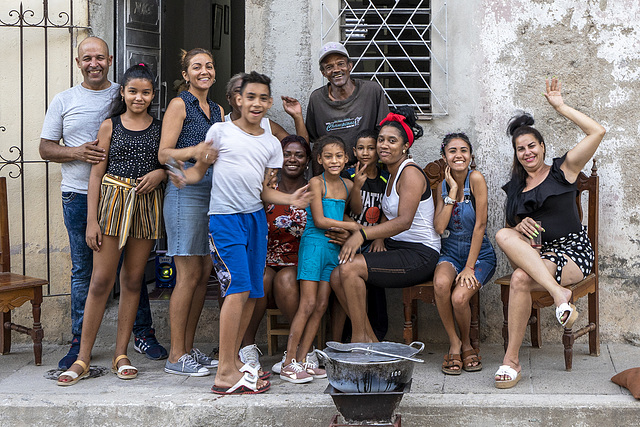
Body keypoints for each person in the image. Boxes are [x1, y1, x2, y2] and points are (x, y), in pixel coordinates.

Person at [175, 71, 311, 394]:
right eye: (250, 97)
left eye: (264, 98)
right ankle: (224, 373)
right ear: (238, 99)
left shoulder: (271, 143)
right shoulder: (220, 131)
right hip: (225, 219)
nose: (257, 103)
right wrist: (184, 176)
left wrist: (290, 198)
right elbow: (198, 172)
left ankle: (235, 363)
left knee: (251, 292)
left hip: (255, 221)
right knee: (236, 288)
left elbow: (265, 192)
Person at [39, 37, 166, 371]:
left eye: (99, 57)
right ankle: (79, 350)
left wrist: (162, 173)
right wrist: (78, 152)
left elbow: (167, 157)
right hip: (93, 200)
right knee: (91, 277)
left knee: (134, 279)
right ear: (78, 61)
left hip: (142, 204)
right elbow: (46, 148)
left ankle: (130, 344)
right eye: (87, 58)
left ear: (109, 60)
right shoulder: (68, 101)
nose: (93, 63)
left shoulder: (144, 114)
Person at [494, 77, 605, 389]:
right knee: (503, 236)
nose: (527, 152)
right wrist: (517, 227)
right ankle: (560, 296)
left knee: (519, 278)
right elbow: (511, 235)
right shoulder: (516, 189)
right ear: (516, 154)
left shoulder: (563, 171)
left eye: (532, 146)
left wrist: (561, 106)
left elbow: (598, 132)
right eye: (521, 149)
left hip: (572, 252)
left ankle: (510, 360)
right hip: (539, 255)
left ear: (542, 147)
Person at [330, 106, 440, 343]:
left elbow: (403, 221)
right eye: (381, 140)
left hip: (420, 254)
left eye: (392, 141)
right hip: (397, 247)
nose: (383, 145)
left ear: (405, 146)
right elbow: (387, 215)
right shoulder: (391, 173)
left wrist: (363, 234)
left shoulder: (409, 173)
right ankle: (370, 340)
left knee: (349, 269)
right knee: (337, 275)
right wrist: (375, 236)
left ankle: (360, 340)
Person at [158, 48, 224, 376]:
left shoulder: (217, 109)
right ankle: (175, 355)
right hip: (185, 192)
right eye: (196, 67)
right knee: (187, 275)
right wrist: (195, 150)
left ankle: (188, 348)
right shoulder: (179, 104)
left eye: (209, 66)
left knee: (202, 275)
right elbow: (164, 153)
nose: (204, 71)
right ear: (186, 74)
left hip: (213, 196)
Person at [280, 135, 359, 384]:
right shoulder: (316, 182)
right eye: (328, 156)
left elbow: (354, 207)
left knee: (322, 305)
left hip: (333, 250)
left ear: (346, 158)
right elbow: (322, 221)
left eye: (339, 156)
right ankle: (288, 361)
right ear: (319, 159)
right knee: (308, 304)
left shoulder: (348, 184)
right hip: (314, 246)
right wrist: (352, 227)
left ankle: (304, 359)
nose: (334, 161)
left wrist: (360, 182)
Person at [238, 135, 315, 377]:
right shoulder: (267, 188)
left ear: (308, 160)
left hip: (300, 261)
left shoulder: (314, 189)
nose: (293, 159)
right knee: (261, 279)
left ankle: (302, 347)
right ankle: (247, 347)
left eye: (299, 155)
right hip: (266, 258)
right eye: (287, 154)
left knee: (285, 280)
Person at [432, 132, 496, 375]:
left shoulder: (476, 179)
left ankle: (468, 343)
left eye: (463, 150)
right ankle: (454, 342)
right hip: (450, 252)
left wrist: (469, 267)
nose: (458, 155)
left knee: (459, 298)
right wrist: (453, 191)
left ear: (470, 155)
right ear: (444, 156)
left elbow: (480, 225)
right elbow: (439, 227)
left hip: (479, 254)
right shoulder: (442, 187)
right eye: (452, 151)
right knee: (440, 284)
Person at [332, 129, 389, 342]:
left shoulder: (386, 177)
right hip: (351, 239)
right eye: (361, 148)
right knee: (346, 283)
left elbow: (389, 212)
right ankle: (351, 335)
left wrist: (380, 238)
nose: (366, 152)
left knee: (375, 287)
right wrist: (354, 229)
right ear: (354, 151)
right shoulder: (348, 175)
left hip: (372, 241)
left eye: (371, 147)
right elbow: (340, 209)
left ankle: (375, 333)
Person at [306, 42, 389, 168]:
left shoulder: (371, 91)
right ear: (323, 73)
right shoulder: (317, 99)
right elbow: (314, 140)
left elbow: (384, 131)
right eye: (329, 67)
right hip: (333, 173)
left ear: (350, 66)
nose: (336, 70)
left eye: (341, 64)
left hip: (367, 169)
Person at [224, 73, 309, 142]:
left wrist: (297, 116)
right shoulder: (221, 123)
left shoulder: (267, 126)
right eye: (239, 91)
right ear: (228, 97)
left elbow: (300, 150)